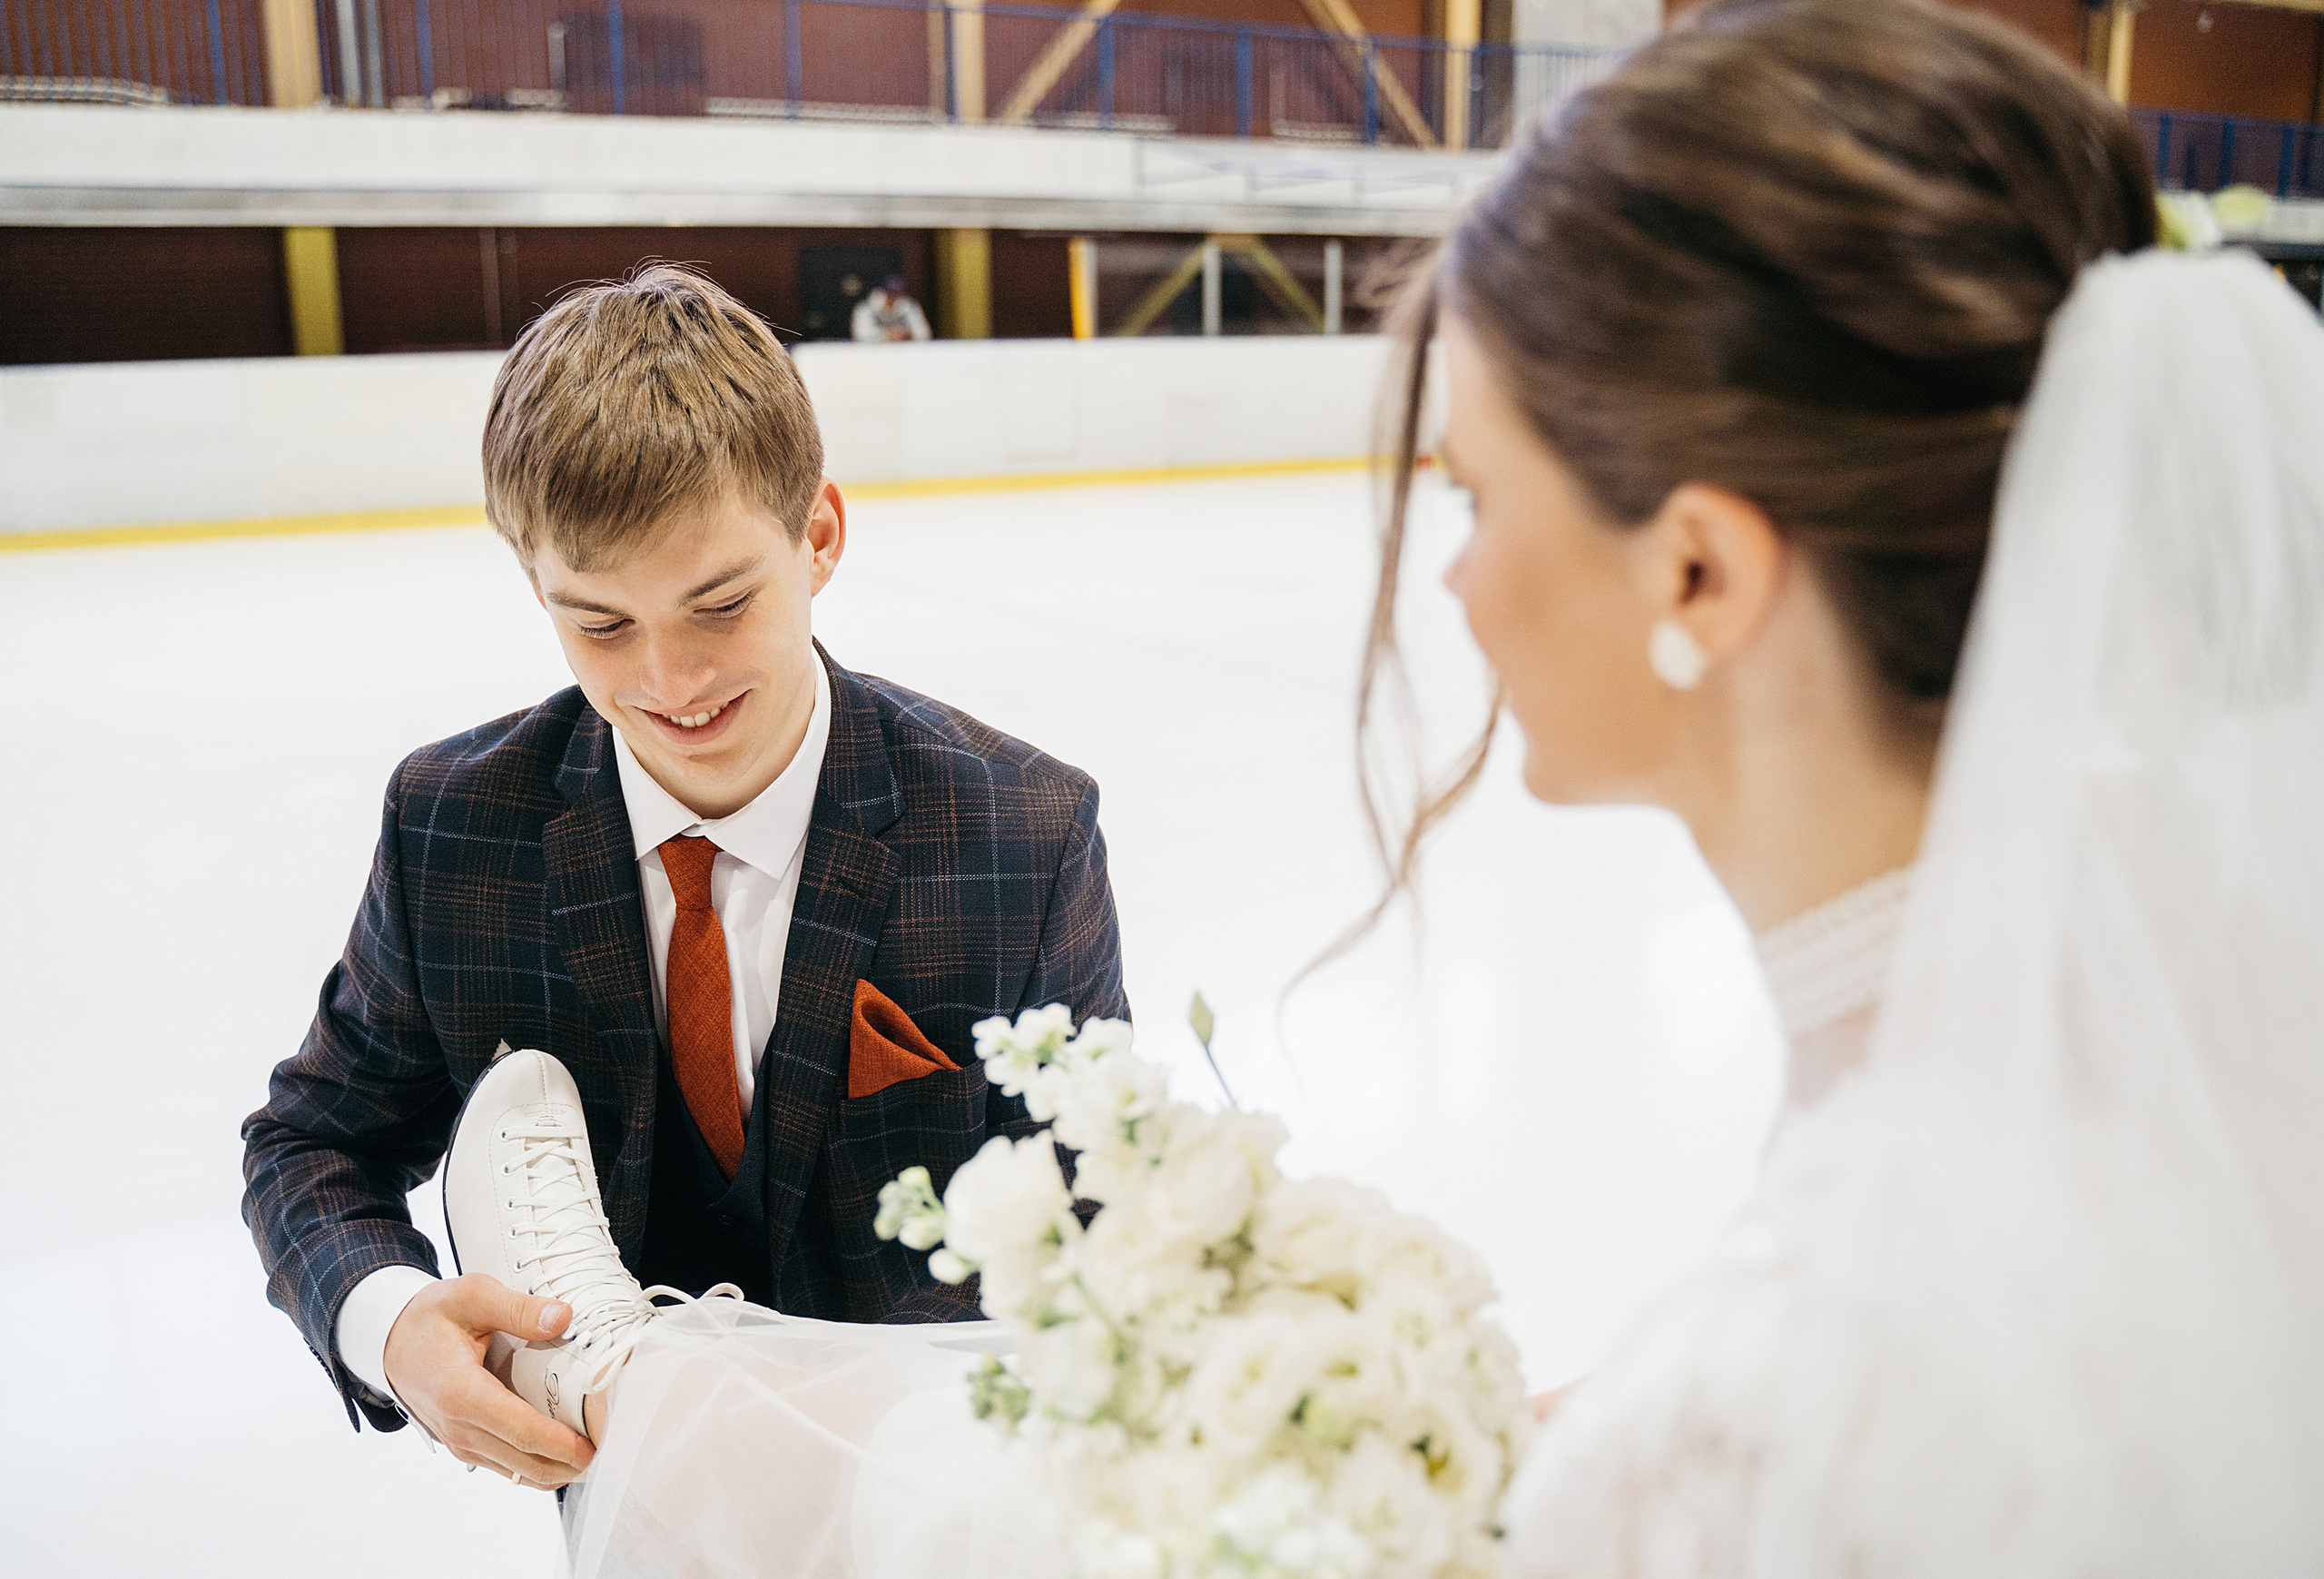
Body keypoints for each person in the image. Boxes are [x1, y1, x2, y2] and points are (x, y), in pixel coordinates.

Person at [1368, 0, 2324, 1570]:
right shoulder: (2181, 946)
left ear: (1698, 567)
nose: (1458, 574)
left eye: (1478, 487)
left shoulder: (1809, 1371)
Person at [240, 264, 1128, 1492]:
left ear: (818, 535)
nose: (669, 679)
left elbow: (1085, 1200)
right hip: (623, 1507)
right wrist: (390, 1321)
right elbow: (312, 1141)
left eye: (719, 603)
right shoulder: (454, 825)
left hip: (929, 1491)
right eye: (600, 623)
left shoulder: (1025, 832)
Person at [851, 275, 931, 342]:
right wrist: (886, 334)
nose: (894, 298)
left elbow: (924, 333)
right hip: (874, 354)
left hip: (903, 353)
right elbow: (860, 335)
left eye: (898, 293)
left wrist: (905, 334)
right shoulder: (866, 308)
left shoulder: (908, 306)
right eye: (891, 293)